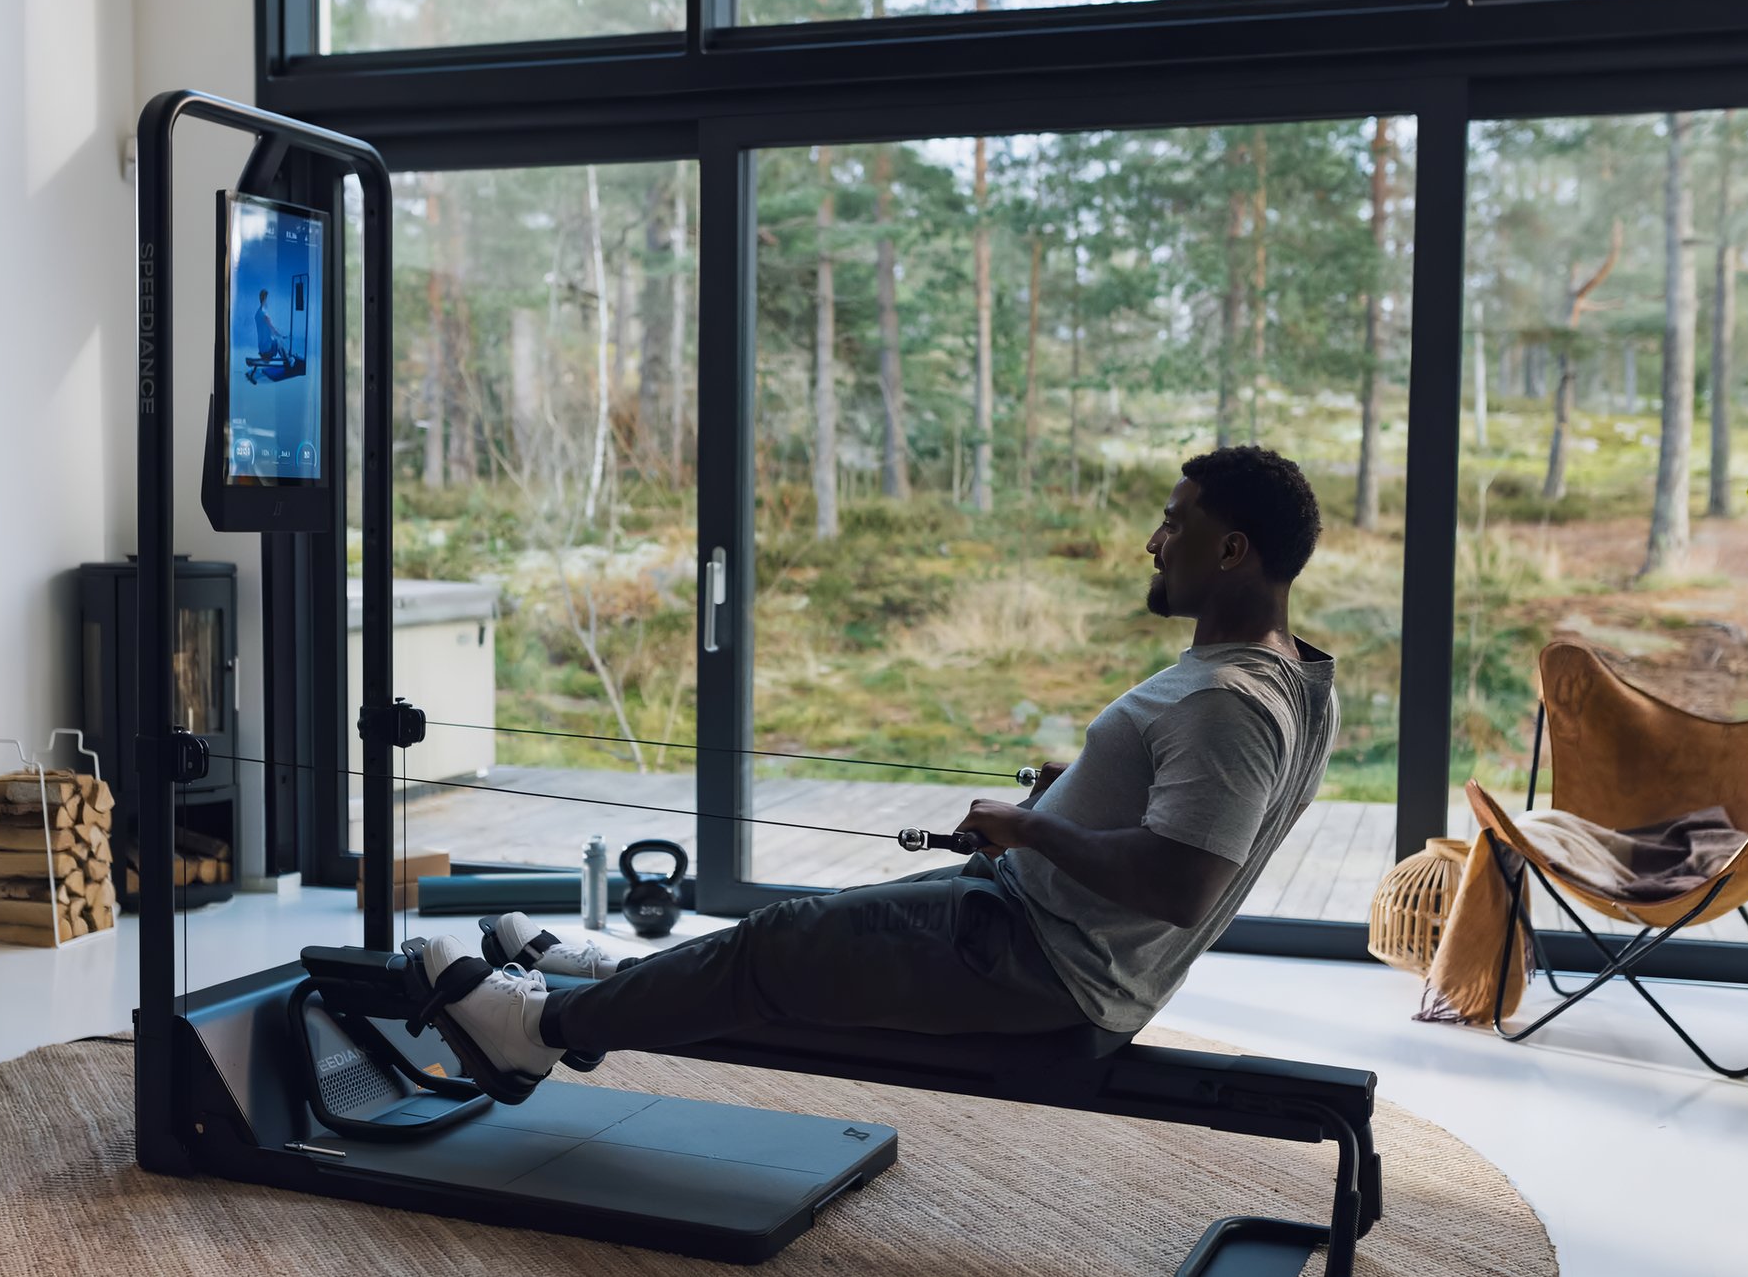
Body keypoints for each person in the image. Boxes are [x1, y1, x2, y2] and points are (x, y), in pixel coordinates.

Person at [420, 445, 1340, 1098]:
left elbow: (1185, 881)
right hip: (1036, 923)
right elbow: (1195, 805)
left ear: (1232, 550)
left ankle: (532, 1036)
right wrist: (1093, 778)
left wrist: (1029, 825)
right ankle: (612, 979)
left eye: (1174, 525)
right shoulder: (1297, 675)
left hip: (1044, 962)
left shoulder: (1226, 702)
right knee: (794, 946)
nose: (1153, 541)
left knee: (775, 947)